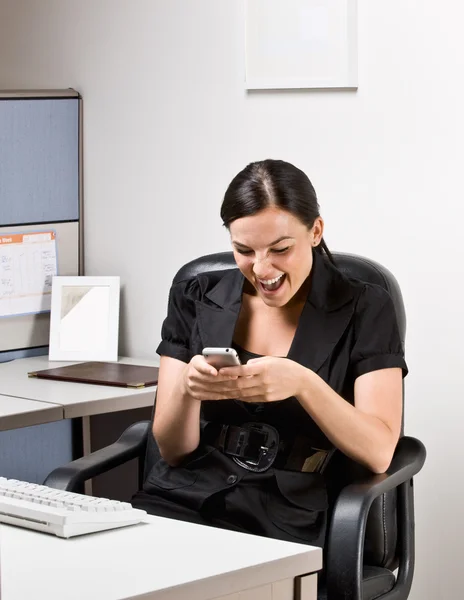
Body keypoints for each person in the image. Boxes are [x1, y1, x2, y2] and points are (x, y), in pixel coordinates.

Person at [132, 159, 407, 547]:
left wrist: (302, 383)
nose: (262, 269)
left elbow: (379, 452)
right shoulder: (194, 296)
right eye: (243, 250)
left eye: (280, 249)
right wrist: (185, 390)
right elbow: (173, 451)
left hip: (285, 516)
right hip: (182, 498)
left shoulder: (366, 306)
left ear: (315, 231)